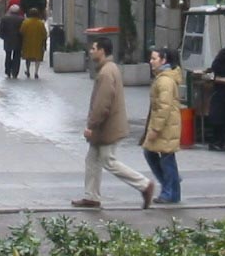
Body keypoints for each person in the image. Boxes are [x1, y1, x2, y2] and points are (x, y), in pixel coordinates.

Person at [71, 36, 155, 210]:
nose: (91, 51)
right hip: (106, 126)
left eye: (94, 48)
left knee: (108, 161)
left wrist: (91, 125)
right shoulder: (109, 68)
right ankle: (91, 196)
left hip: (107, 127)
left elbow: (102, 103)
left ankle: (144, 185)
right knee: (92, 159)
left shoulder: (106, 72)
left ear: (102, 51)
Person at [141, 47, 183, 204]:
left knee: (163, 157)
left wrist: (155, 129)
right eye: (151, 58)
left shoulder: (164, 80)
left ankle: (169, 190)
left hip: (166, 126)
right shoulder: (163, 77)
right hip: (167, 125)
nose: (151, 62)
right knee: (163, 157)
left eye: (154, 58)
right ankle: (172, 188)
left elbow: (163, 107)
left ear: (164, 60)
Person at [19, 7, 48, 79]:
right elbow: (44, 33)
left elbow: (21, 31)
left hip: (27, 43)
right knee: (37, 58)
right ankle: (36, 72)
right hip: (38, 43)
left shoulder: (26, 22)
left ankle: (28, 70)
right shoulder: (40, 23)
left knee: (27, 58)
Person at [0, 4, 24, 79]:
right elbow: (23, 30)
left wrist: (3, 37)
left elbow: (0, 30)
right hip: (18, 40)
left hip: (8, 40)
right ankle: (15, 71)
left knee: (8, 55)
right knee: (17, 56)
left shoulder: (5, 18)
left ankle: (8, 70)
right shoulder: (21, 19)